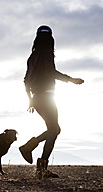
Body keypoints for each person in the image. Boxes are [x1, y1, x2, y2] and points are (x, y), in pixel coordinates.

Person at [19, 25, 84, 178]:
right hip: (47, 97)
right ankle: (39, 165)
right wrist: (71, 80)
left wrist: (30, 100)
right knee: (54, 130)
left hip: (37, 98)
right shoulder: (47, 53)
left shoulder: (32, 57)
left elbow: (26, 80)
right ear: (51, 39)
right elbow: (51, 72)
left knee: (55, 129)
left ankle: (30, 148)